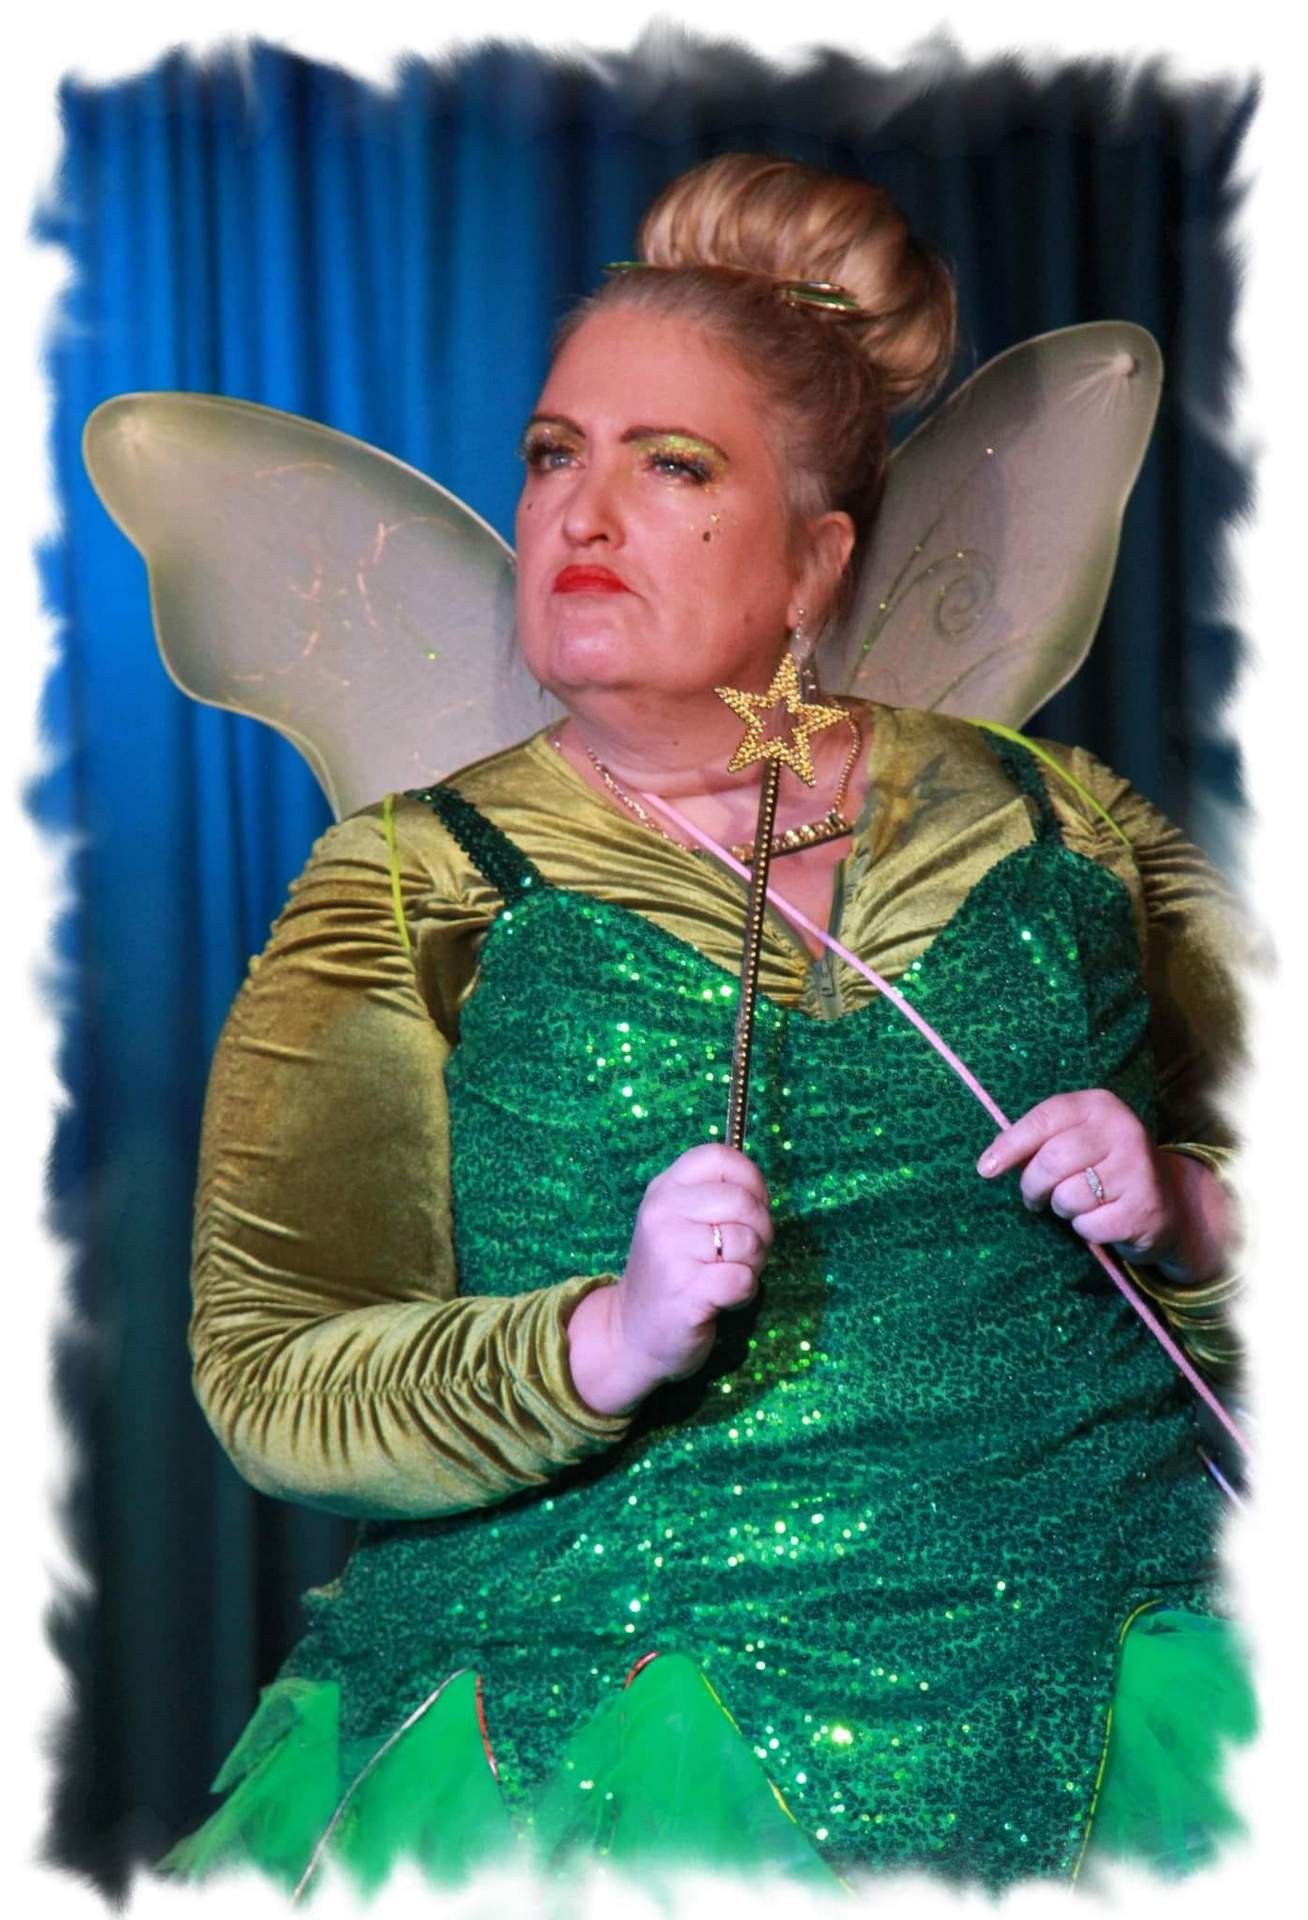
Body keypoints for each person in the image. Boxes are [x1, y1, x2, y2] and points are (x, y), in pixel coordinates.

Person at [160, 154, 1251, 1898]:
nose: (582, 517)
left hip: (1102, 1680)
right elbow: (272, 1374)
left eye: (671, 466)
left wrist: (1192, 1205)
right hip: (590, 1711)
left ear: (819, 558)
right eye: (553, 455)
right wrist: (604, 1336)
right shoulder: (410, 881)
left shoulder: (1062, 822)